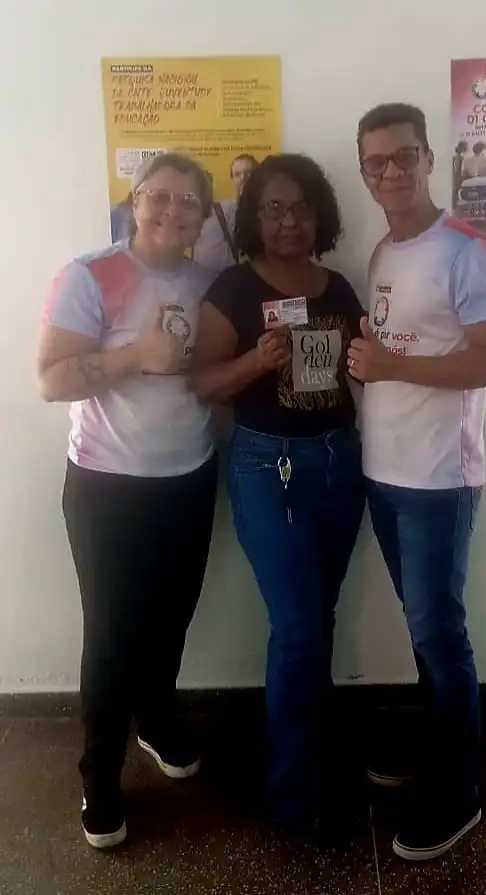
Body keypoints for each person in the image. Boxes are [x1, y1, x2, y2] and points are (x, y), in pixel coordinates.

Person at [350, 104, 486, 861]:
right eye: (375, 161)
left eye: (403, 156)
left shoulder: (470, 250)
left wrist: (391, 365)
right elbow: (397, 348)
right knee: (425, 633)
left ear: (428, 158)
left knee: (440, 635)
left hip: (440, 479)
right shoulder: (385, 250)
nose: (390, 171)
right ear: (364, 171)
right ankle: (439, 749)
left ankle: (460, 790)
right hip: (384, 472)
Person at [37, 152, 218, 850]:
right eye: (158, 196)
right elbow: (51, 379)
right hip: (106, 486)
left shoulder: (209, 282)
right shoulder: (90, 274)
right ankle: (100, 775)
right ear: (134, 201)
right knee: (112, 637)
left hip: (190, 479)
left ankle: (157, 725)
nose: (172, 210)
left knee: (172, 621)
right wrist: (132, 356)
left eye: (189, 201)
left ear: (204, 215)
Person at [193, 153, 366, 833]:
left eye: (300, 208)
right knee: (296, 628)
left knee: (319, 617)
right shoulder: (233, 287)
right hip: (270, 467)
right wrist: (254, 361)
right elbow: (203, 382)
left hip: (340, 461)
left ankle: (317, 752)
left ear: (319, 214)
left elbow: (361, 365)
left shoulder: (338, 287)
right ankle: (294, 792)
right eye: (273, 208)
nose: (289, 221)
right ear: (253, 217)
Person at [193, 153, 259, 270]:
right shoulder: (204, 213)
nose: (243, 178)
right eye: (237, 174)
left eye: (248, 173)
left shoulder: (265, 209)